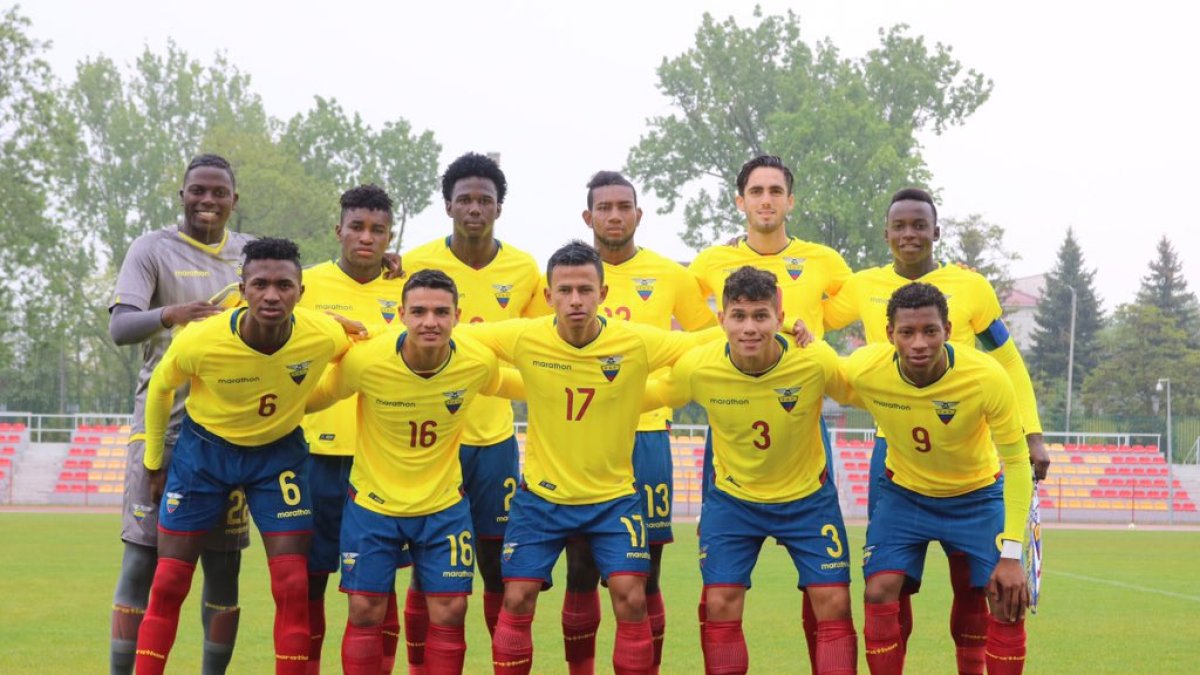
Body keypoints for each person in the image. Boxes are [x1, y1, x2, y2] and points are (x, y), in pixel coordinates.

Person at [822, 187, 1048, 673]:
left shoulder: (971, 293)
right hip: (898, 461)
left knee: (982, 588)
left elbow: (1007, 358)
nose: (908, 235)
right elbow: (814, 334)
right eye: (899, 226)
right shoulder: (864, 299)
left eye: (918, 225)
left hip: (971, 462)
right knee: (884, 586)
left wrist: (1033, 432)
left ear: (935, 232)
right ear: (885, 234)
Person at [464, 241, 716, 675]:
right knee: (517, 597)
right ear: (548, 297)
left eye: (585, 289)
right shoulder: (526, 336)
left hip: (613, 498)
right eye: (564, 290)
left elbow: (700, 340)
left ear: (602, 293)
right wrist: (366, 334)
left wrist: (783, 330)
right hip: (541, 498)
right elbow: (450, 330)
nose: (575, 300)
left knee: (631, 596)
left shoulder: (635, 342)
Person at [134, 238, 351, 675]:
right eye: (261, 284)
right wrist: (154, 462)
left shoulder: (324, 333)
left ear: (301, 292)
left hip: (279, 455)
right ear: (243, 288)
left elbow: (358, 356)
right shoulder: (202, 340)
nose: (272, 295)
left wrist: (305, 401)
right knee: (170, 582)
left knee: (292, 584)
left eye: (285, 285)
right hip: (204, 454)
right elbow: (160, 389)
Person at [306, 269, 522, 675]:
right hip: (373, 504)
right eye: (419, 311)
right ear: (401, 314)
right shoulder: (366, 360)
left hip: (442, 506)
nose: (430, 322)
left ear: (457, 315)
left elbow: (513, 384)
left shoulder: (476, 362)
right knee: (365, 609)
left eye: (441, 312)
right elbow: (319, 396)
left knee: (451, 608)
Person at [646, 266, 857, 675]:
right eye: (738, 316)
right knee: (721, 602)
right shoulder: (698, 367)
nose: (749, 328)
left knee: (834, 603)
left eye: (760, 315)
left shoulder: (813, 360)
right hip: (734, 500)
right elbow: (653, 394)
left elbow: (861, 388)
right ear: (722, 319)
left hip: (807, 500)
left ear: (779, 318)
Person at [686, 154, 852, 666]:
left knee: (825, 592)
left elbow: (861, 301)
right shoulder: (711, 262)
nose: (765, 200)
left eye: (775, 191)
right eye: (755, 191)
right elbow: (697, 322)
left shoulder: (822, 259)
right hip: (735, 419)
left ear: (789, 201)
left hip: (799, 415)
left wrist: (811, 331)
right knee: (721, 592)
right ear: (740, 201)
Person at [555, 170, 717, 675]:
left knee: (645, 572)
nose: (614, 215)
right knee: (579, 569)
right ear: (589, 217)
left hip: (646, 434)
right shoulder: (567, 273)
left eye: (623, 206)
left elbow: (712, 337)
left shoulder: (670, 275)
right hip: (578, 441)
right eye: (604, 207)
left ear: (638, 215)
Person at [107, 153, 251, 675]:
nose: (208, 200)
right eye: (198, 190)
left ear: (235, 199)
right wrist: (173, 314)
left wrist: (385, 268)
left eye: (219, 192)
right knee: (143, 561)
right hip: (162, 428)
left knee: (223, 567)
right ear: (183, 195)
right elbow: (121, 328)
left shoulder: (251, 255)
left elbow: (307, 294)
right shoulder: (152, 249)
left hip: (231, 432)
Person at [841, 282, 1031, 675]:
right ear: (889, 333)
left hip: (977, 497)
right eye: (907, 332)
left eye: (930, 330)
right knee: (878, 591)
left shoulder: (985, 376)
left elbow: (1016, 462)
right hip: (904, 495)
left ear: (947, 328)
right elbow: (815, 371)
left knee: (1006, 597)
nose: (919, 343)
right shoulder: (864, 368)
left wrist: (1012, 553)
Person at [399, 152, 542, 667]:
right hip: (433, 441)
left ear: (499, 208)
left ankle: (504, 662)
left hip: (494, 440)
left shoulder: (524, 269)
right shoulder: (413, 262)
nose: (475, 208)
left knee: (497, 564)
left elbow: (545, 345)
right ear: (447, 206)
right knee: (427, 567)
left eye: (485, 199)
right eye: (465, 200)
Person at [296, 184, 408, 672]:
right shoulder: (300, 284)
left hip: (382, 462)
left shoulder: (407, 290)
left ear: (390, 238)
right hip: (313, 455)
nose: (366, 237)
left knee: (378, 590)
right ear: (337, 229)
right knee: (308, 583)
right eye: (357, 227)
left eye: (377, 230)